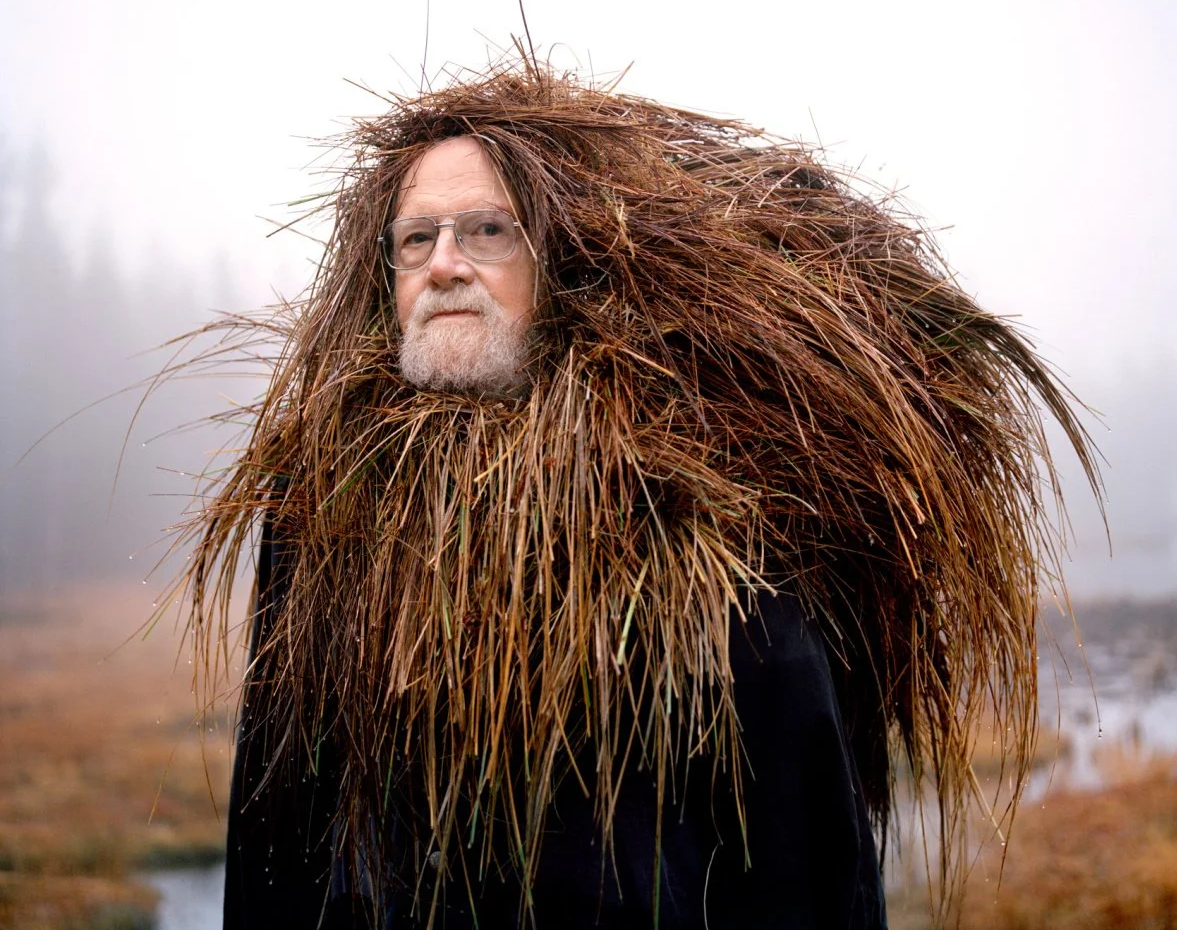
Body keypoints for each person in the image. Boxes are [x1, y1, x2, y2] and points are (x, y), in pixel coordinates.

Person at [180, 57, 1097, 929]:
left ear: (559, 262)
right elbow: (277, 822)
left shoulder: (698, 495)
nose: (446, 264)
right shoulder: (322, 507)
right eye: (417, 238)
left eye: (487, 231)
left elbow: (804, 857)